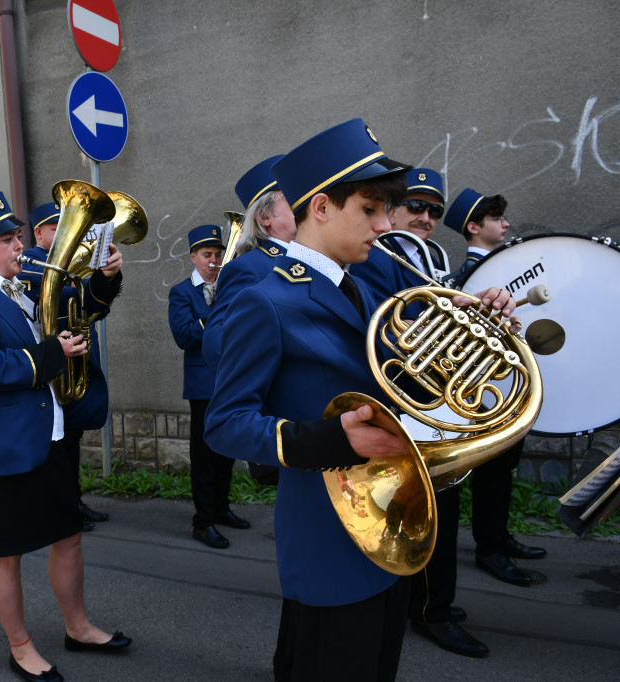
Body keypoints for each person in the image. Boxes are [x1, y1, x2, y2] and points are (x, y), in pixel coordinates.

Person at [204, 119, 519, 681]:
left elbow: (425, 351)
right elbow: (225, 423)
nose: (385, 225)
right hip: (327, 530)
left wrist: (481, 317)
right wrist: (327, 439)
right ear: (321, 207)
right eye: (370, 210)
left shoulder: (369, 278)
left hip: (392, 515)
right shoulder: (265, 297)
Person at [0, 192, 130, 682]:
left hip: (52, 435)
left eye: (18, 236)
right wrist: (51, 355)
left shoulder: (25, 287)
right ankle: (20, 647)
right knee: (7, 554)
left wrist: (106, 280)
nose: (19, 246)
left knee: (68, 537)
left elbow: (82, 308)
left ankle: (78, 627)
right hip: (1, 447)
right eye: (7, 240)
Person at [351, 169, 488, 658]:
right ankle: (431, 609)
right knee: (429, 506)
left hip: (436, 396)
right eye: (416, 208)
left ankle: (428, 598)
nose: (427, 219)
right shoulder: (376, 253)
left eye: (434, 211)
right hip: (402, 395)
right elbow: (377, 321)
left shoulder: (433, 256)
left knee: (442, 504)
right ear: (393, 211)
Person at [444, 188, 547, 586]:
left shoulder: (505, 266)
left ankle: (500, 537)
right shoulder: (468, 276)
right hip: (487, 388)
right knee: (492, 470)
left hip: (508, 382)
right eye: (495, 219)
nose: (505, 224)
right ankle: (489, 548)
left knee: (504, 468)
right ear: (473, 227)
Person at [18, 201, 123, 532]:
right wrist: (81, 278)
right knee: (56, 447)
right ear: (39, 232)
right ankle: (59, 506)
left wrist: (107, 275)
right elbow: (58, 295)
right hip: (47, 365)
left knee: (71, 442)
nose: (69, 237)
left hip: (74, 363)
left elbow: (93, 306)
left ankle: (73, 501)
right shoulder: (30, 262)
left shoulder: (70, 269)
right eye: (57, 230)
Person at [167, 224, 248, 549]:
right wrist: (215, 315)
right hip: (202, 384)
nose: (214, 261)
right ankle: (202, 522)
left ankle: (220, 509)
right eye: (207, 255)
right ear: (193, 257)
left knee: (227, 450)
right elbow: (184, 335)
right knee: (204, 454)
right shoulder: (181, 292)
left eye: (217, 254)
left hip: (232, 378)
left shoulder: (231, 288)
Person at [200, 154, 295, 371]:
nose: (303, 203)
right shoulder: (249, 267)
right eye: (291, 198)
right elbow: (216, 345)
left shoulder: (314, 259)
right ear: (264, 217)